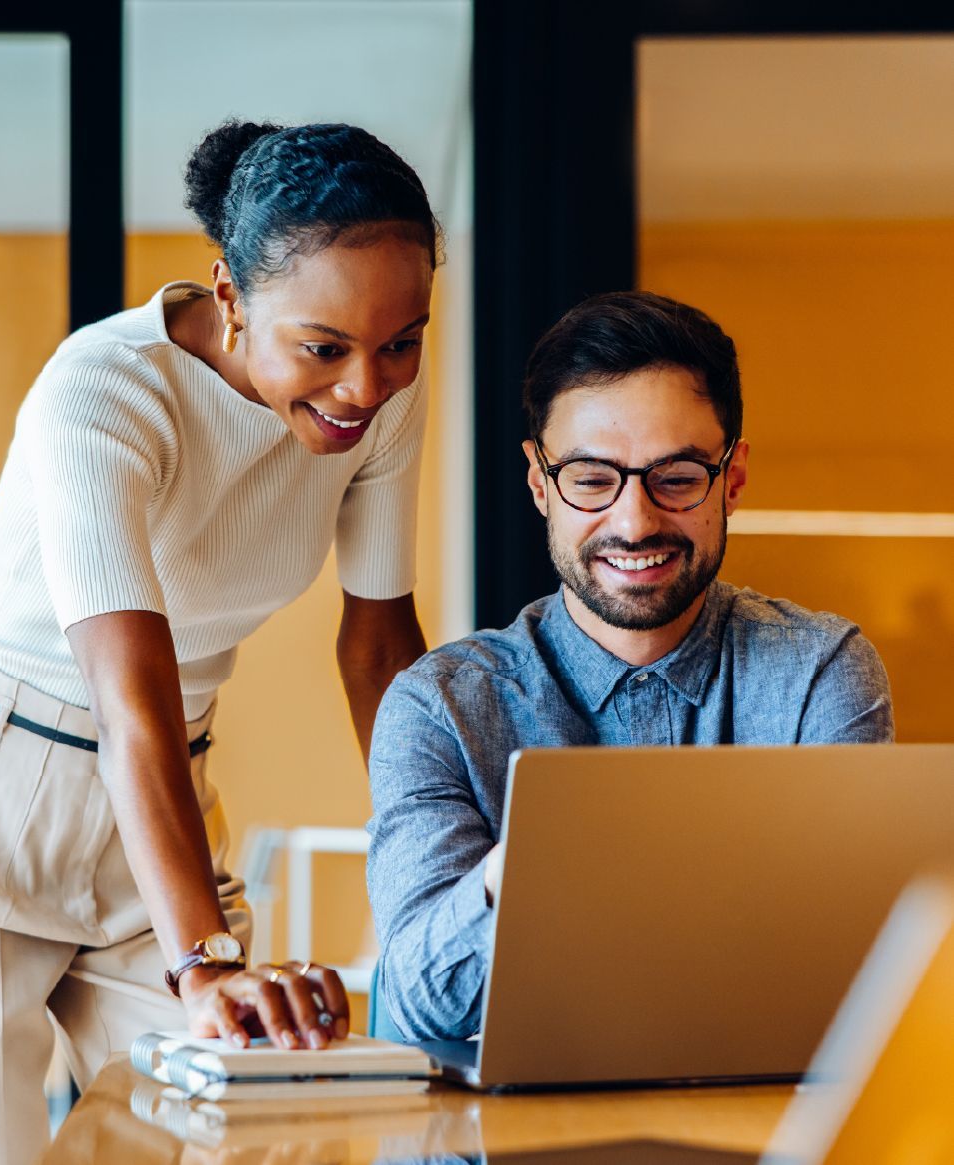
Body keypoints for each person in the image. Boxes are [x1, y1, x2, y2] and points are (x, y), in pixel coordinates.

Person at [0, 119, 439, 1163]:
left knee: (227, 1135)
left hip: (166, 801)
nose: (365, 386)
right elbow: (125, 691)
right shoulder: (101, 389)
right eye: (323, 348)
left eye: (401, 341)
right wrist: (207, 957)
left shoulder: (376, 409)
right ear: (229, 296)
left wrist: (435, 874)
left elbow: (378, 651)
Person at [367, 290, 894, 1042]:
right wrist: (533, 864)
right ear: (538, 483)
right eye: (589, 479)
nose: (634, 520)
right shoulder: (439, 706)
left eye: (676, 477)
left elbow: (853, 975)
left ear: (732, 479)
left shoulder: (819, 673)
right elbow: (423, 999)